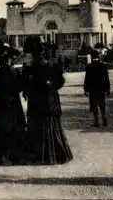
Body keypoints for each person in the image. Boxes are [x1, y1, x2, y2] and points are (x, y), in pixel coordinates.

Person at [22, 37, 73, 165]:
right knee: (50, 127)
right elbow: (60, 81)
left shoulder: (33, 66)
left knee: (39, 126)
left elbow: (26, 85)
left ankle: (39, 155)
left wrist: (29, 90)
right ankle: (52, 154)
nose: (40, 53)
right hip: (48, 100)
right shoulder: (48, 64)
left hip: (40, 101)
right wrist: (51, 85)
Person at [0, 47, 26, 165]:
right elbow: (20, 87)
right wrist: (11, 94)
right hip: (13, 103)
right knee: (15, 127)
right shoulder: (16, 72)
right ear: (9, 60)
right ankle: (15, 156)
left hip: (0, 104)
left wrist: (2, 95)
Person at [84, 50, 110, 127]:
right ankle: (104, 117)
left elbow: (87, 79)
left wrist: (86, 90)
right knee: (102, 104)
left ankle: (96, 121)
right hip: (101, 88)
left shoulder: (89, 66)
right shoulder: (104, 65)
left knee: (94, 105)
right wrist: (108, 89)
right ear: (98, 57)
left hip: (92, 89)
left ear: (92, 57)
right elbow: (106, 78)